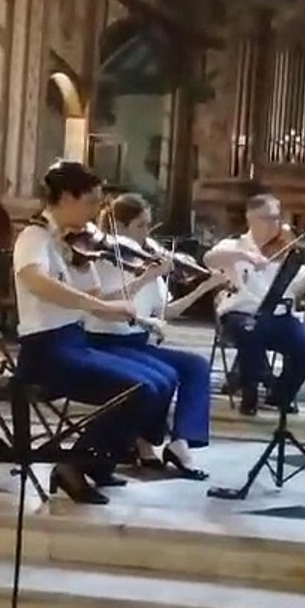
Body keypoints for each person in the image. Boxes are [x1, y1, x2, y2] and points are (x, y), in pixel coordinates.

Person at [11, 161, 170, 505]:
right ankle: (73, 466)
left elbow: (95, 298)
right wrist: (101, 308)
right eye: (91, 202)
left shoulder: (72, 243)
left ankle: (98, 464)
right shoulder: (34, 237)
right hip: (44, 353)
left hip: (73, 342)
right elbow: (39, 284)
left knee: (157, 383)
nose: (97, 211)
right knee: (138, 389)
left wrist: (129, 300)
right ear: (67, 197)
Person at [88, 193, 230, 478]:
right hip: (106, 342)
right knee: (163, 373)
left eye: (149, 226)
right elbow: (100, 306)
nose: (147, 234)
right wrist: (144, 278)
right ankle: (143, 442)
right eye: (141, 226)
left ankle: (179, 442)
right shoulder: (102, 260)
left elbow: (167, 311)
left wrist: (204, 288)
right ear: (121, 227)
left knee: (196, 366)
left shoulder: (147, 261)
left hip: (138, 342)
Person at [203, 194, 305, 416]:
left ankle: (279, 394)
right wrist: (245, 255)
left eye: (276, 218)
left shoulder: (286, 252)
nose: (273, 224)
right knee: (251, 330)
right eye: (266, 218)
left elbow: (296, 290)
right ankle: (250, 392)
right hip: (240, 314)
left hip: (278, 317)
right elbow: (209, 259)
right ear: (250, 218)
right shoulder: (233, 245)